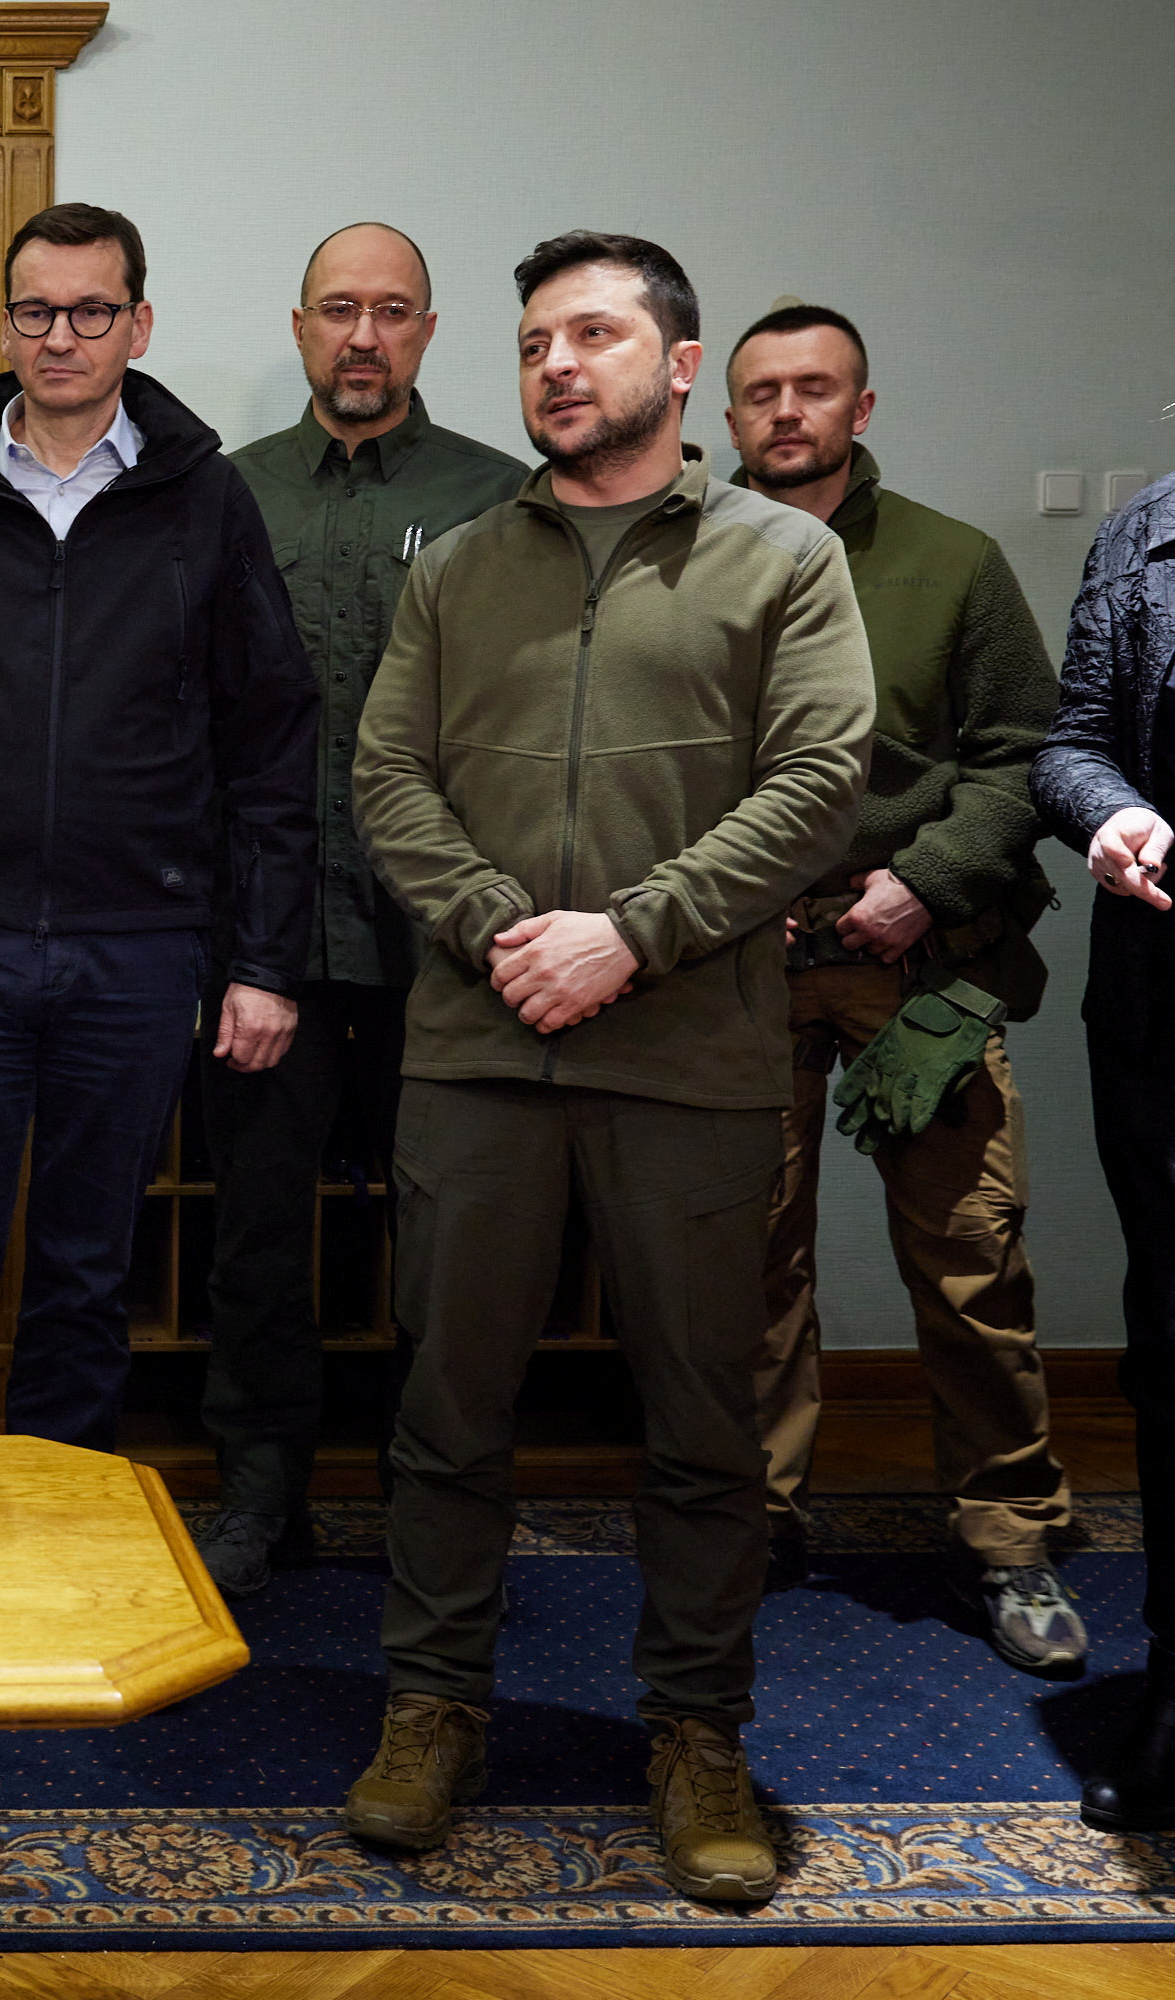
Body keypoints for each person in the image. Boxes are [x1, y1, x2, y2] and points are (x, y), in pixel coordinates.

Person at [343, 234, 873, 1904]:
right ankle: (434, 1708)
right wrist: (514, 929)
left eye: (591, 334)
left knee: (703, 1426)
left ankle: (699, 1735)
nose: (555, 365)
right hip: (479, 1052)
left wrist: (630, 936)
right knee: (445, 1407)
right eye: (531, 343)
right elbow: (386, 775)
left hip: (692, 1059)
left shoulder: (783, 559)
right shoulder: (458, 567)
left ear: (680, 362)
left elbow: (821, 785)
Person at [0, 202, 316, 1449]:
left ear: (136, 325)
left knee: (90, 1279)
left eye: (92, 312)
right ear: (6, 321)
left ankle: (62, 1556)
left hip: (138, 947)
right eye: (36, 311)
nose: (61, 337)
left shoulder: (207, 502)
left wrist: (260, 960)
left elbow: (270, 739)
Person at [721, 302, 1080, 1669]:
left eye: (817, 388)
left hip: (919, 961)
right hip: (746, 962)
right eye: (765, 393)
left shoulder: (953, 563)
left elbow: (1024, 752)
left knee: (971, 1256)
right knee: (747, 1262)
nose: (790, 411)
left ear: (861, 407)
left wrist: (925, 882)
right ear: (732, 414)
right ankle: (754, 1515)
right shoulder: (689, 557)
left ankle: (1009, 1534)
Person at [199, 223, 526, 1597]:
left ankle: (430, 1500)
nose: (364, 336)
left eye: (392, 312)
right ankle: (260, 1494)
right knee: (255, 1231)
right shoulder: (227, 494)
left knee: (445, 1244)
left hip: (442, 943)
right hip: (267, 938)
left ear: (427, 332)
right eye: (340, 310)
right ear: (299, 327)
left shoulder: (500, 497)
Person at [1035, 464, 1175, 1831]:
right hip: (1162, 1015)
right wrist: (1111, 811)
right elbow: (1073, 738)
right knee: (1173, 1355)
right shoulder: (1145, 529)